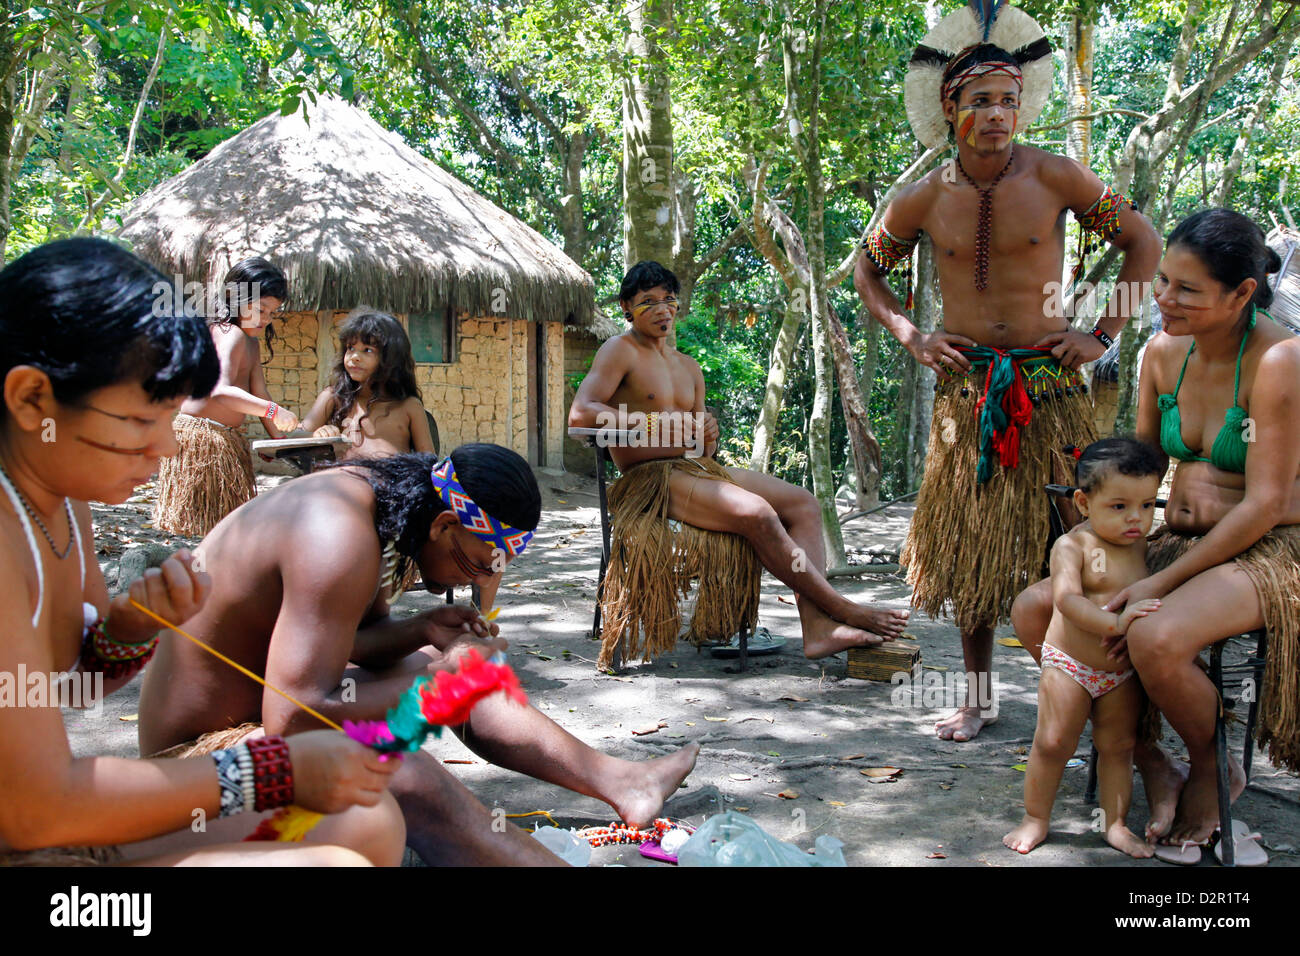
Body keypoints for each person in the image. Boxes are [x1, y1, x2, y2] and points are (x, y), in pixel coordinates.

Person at [0, 237, 404, 866]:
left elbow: (63, 692)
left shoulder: (62, 506)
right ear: (32, 401)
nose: (166, 446)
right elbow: (36, 807)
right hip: (35, 827)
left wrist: (131, 632)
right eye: (139, 421)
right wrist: (272, 767)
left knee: (365, 820)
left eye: (167, 417)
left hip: (42, 824)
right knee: (332, 859)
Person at [138, 443, 700, 865]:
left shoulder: (381, 503)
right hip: (197, 763)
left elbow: (351, 639)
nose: (479, 583)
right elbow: (290, 715)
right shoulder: (336, 533)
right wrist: (436, 681)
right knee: (404, 773)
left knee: (469, 678)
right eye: (478, 565)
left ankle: (623, 782)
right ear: (445, 523)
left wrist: (423, 630)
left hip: (263, 712)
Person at [853, 3, 1161, 741]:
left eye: (1008, 101)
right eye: (981, 101)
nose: (997, 115)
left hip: (1050, 392)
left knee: (1085, 544)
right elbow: (868, 273)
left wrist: (1103, 334)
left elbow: (1143, 244)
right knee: (974, 558)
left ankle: (1101, 691)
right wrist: (910, 334)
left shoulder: (1058, 177)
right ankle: (978, 696)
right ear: (950, 107)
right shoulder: (922, 197)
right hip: (969, 395)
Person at [1013, 209, 1300, 852]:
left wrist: (1159, 583)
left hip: (1270, 545)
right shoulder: (1163, 354)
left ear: (1242, 294)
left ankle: (1209, 767)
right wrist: (1092, 531)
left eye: (1187, 290)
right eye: (1163, 280)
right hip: (1171, 536)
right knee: (1035, 610)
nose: (1163, 299)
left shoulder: (1281, 361)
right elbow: (1138, 472)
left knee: (1157, 634)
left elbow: (1265, 504)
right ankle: (1144, 755)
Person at [568, 260, 910, 667]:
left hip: (695, 470)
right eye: (648, 302)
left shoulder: (688, 367)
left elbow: (701, 452)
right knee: (756, 512)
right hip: (651, 479)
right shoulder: (618, 350)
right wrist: (656, 423)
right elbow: (580, 415)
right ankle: (842, 607)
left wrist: (705, 434)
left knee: (803, 504)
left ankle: (817, 627)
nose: (662, 309)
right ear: (627, 307)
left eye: (668, 299)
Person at [1003, 438, 1164, 858]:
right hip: (1070, 665)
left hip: (1119, 672)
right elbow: (1067, 601)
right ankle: (1036, 817)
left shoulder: (1141, 545)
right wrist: (1115, 623)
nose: (1136, 518)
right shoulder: (1072, 546)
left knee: (1118, 747)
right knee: (1054, 743)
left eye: (1147, 506)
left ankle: (1114, 824)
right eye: (1120, 506)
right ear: (1083, 502)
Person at [154, 256, 300, 537]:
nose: (267, 318)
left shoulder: (251, 343)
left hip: (225, 441)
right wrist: (273, 412)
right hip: (204, 439)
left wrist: (280, 442)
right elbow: (219, 391)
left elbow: (260, 392)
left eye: (272, 312)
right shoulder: (228, 332)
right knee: (202, 532)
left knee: (221, 531)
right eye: (261, 309)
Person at [298, 309, 435, 460]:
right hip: (343, 480)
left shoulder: (409, 406)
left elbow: (428, 462)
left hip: (391, 481)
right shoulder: (333, 397)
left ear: (391, 358)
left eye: (367, 350)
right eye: (350, 348)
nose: (355, 357)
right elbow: (295, 438)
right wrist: (317, 435)